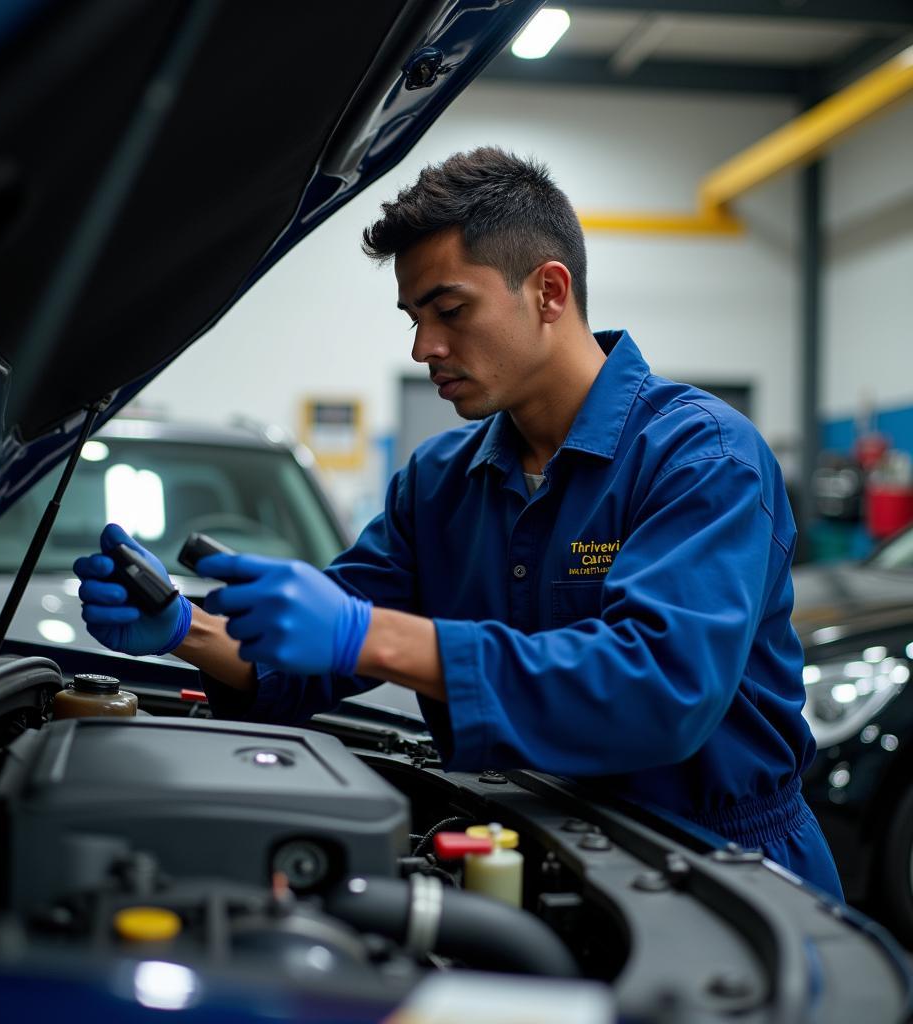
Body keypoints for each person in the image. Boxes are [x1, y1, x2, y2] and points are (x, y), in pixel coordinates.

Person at [75, 147, 842, 898]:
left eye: (450, 310)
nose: (424, 348)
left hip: (724, 871)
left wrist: (367, 634)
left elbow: (659, 692)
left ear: (549, 291)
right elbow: (310, 655)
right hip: (531, 846)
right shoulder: (439, 483)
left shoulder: (700, 456)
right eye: (414, 317)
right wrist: (185, 629)